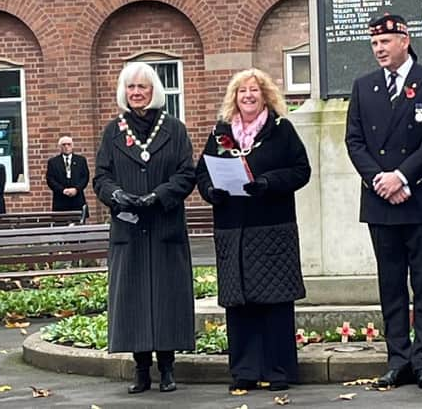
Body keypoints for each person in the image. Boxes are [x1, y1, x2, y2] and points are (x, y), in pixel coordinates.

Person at [345, 14, 422, 389]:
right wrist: (381, 181)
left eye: (385, 43)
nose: (379, 50)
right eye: (374, 44)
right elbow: (354, 141)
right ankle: (398, 360)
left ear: (404, 40)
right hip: (381, 200)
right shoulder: (364, 87)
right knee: (390, 285)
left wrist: (402, 177)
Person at [195, 68, 311, 392]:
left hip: (272, 229)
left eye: (254, 91)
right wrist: (210, 192)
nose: (247, 96)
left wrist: (268, 183)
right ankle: (244, 370)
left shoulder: (280, 130)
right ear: (234, 97)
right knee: (239, 305)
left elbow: (301, 171)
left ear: (265, 96)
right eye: (242, 91)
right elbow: (201, 172)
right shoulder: (221, 134)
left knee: (275, 305)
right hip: (233, 231)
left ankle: (278, 371)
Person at [93, 62, 196, 394]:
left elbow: (186, 174)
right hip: (129, 228)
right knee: (134, 299)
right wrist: (116, 195)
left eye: (143, 87)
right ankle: (141, 370)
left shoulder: (174, 129)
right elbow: (101, 177)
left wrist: (159, 195)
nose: (136, 93)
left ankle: (167, 368)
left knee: (166, 298)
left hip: (164, 224)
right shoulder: (112, 132)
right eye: (131, 87)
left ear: (154, 92)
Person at [46, 136, 89, 216]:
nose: (66, 147)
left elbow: (85, 177)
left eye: (69, 144)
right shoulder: (53, 162)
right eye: (64, 145)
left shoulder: (81, 160)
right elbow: (50, 179)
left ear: (72, 146)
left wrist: (76, 189)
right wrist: (62, 190)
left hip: (77, 200)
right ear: (60, 147)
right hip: (60, 201)